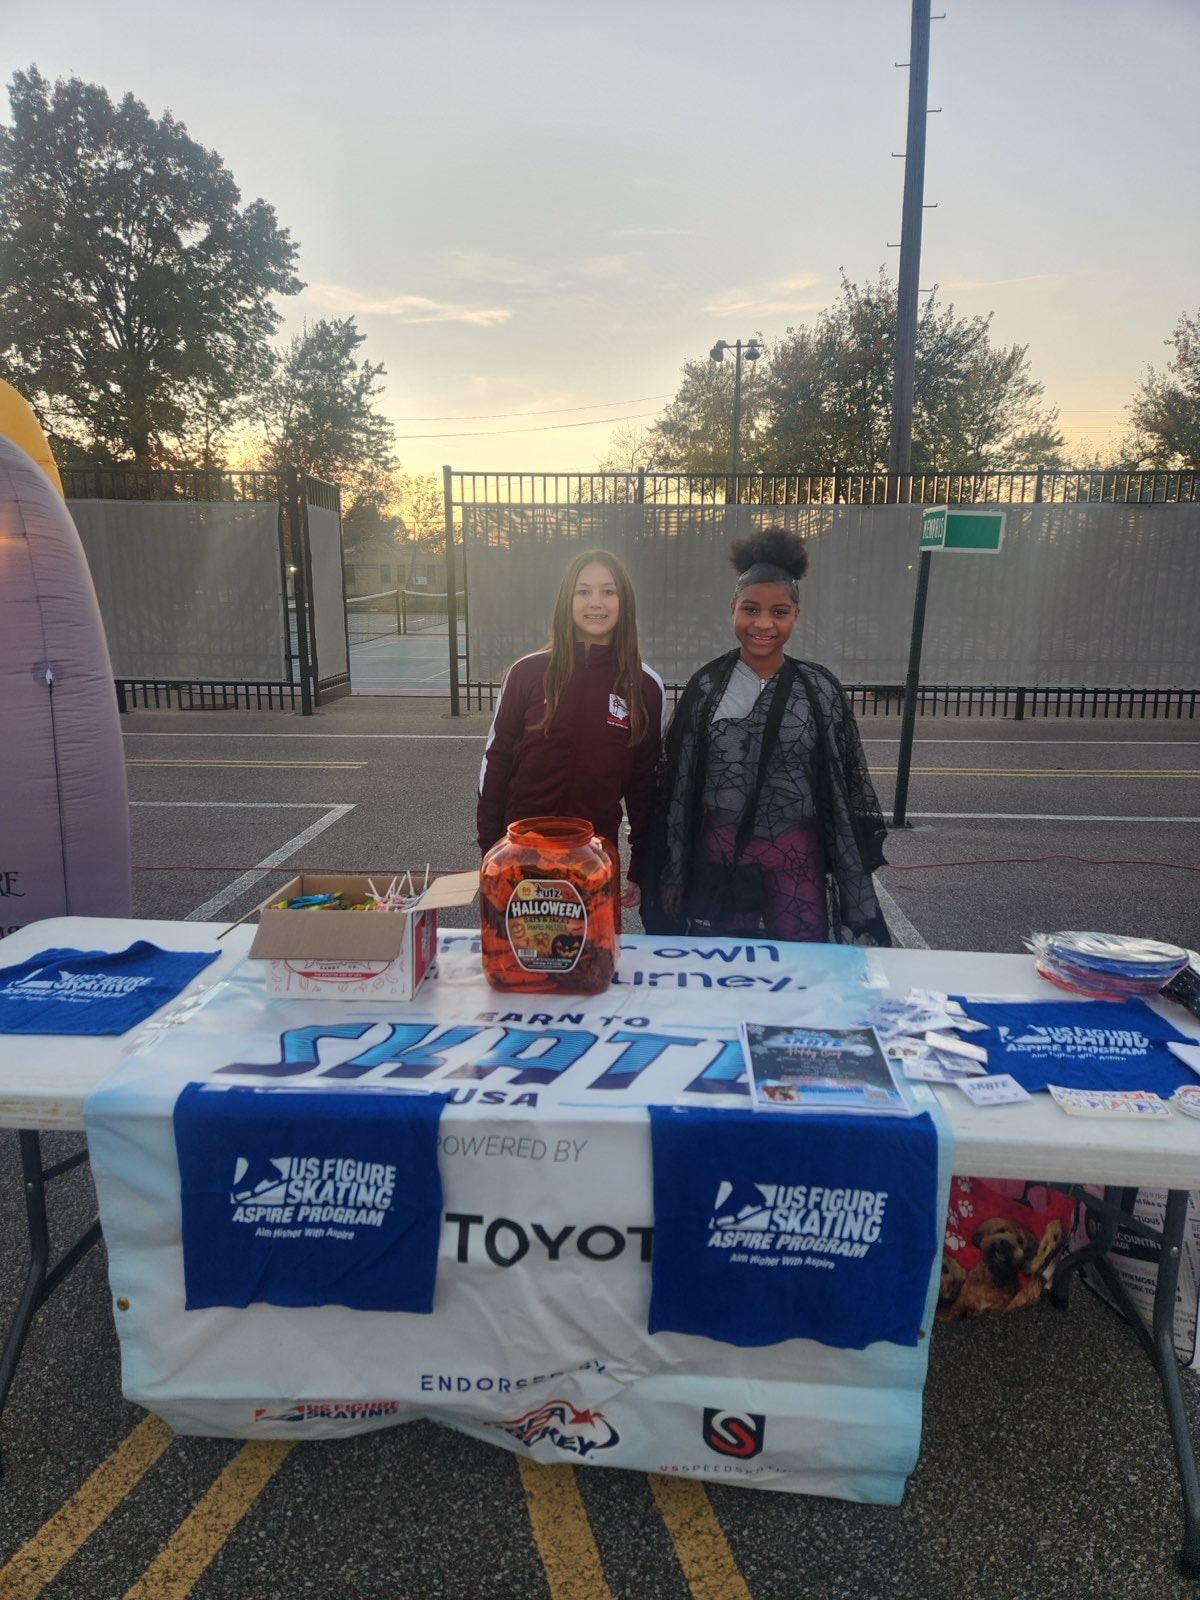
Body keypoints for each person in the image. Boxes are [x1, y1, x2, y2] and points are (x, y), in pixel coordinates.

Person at [641, 526, 890, 944]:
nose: (763, 623)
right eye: (751, 609)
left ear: (796, 615)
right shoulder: (707, 687)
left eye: (779, 612)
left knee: (803, 957)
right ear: (733, 609)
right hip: (722, 849)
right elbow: (678, 787)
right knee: (724, 959)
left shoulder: (819, 688)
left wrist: (852, 875)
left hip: (796, 851)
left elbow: (842, 787)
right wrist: (673, 870)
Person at [477, 549, 664, 909]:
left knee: (589, 948)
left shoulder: (644, 687)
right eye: (584, 591)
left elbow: (646, 784)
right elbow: (495, 763)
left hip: (593, 864)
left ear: (624, 602)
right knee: (521, 946)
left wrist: (642, 864)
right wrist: (491, 849)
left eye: (608, 591)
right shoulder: (526, 674)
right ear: (567, 599)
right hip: (521, 859)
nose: (596, 603)